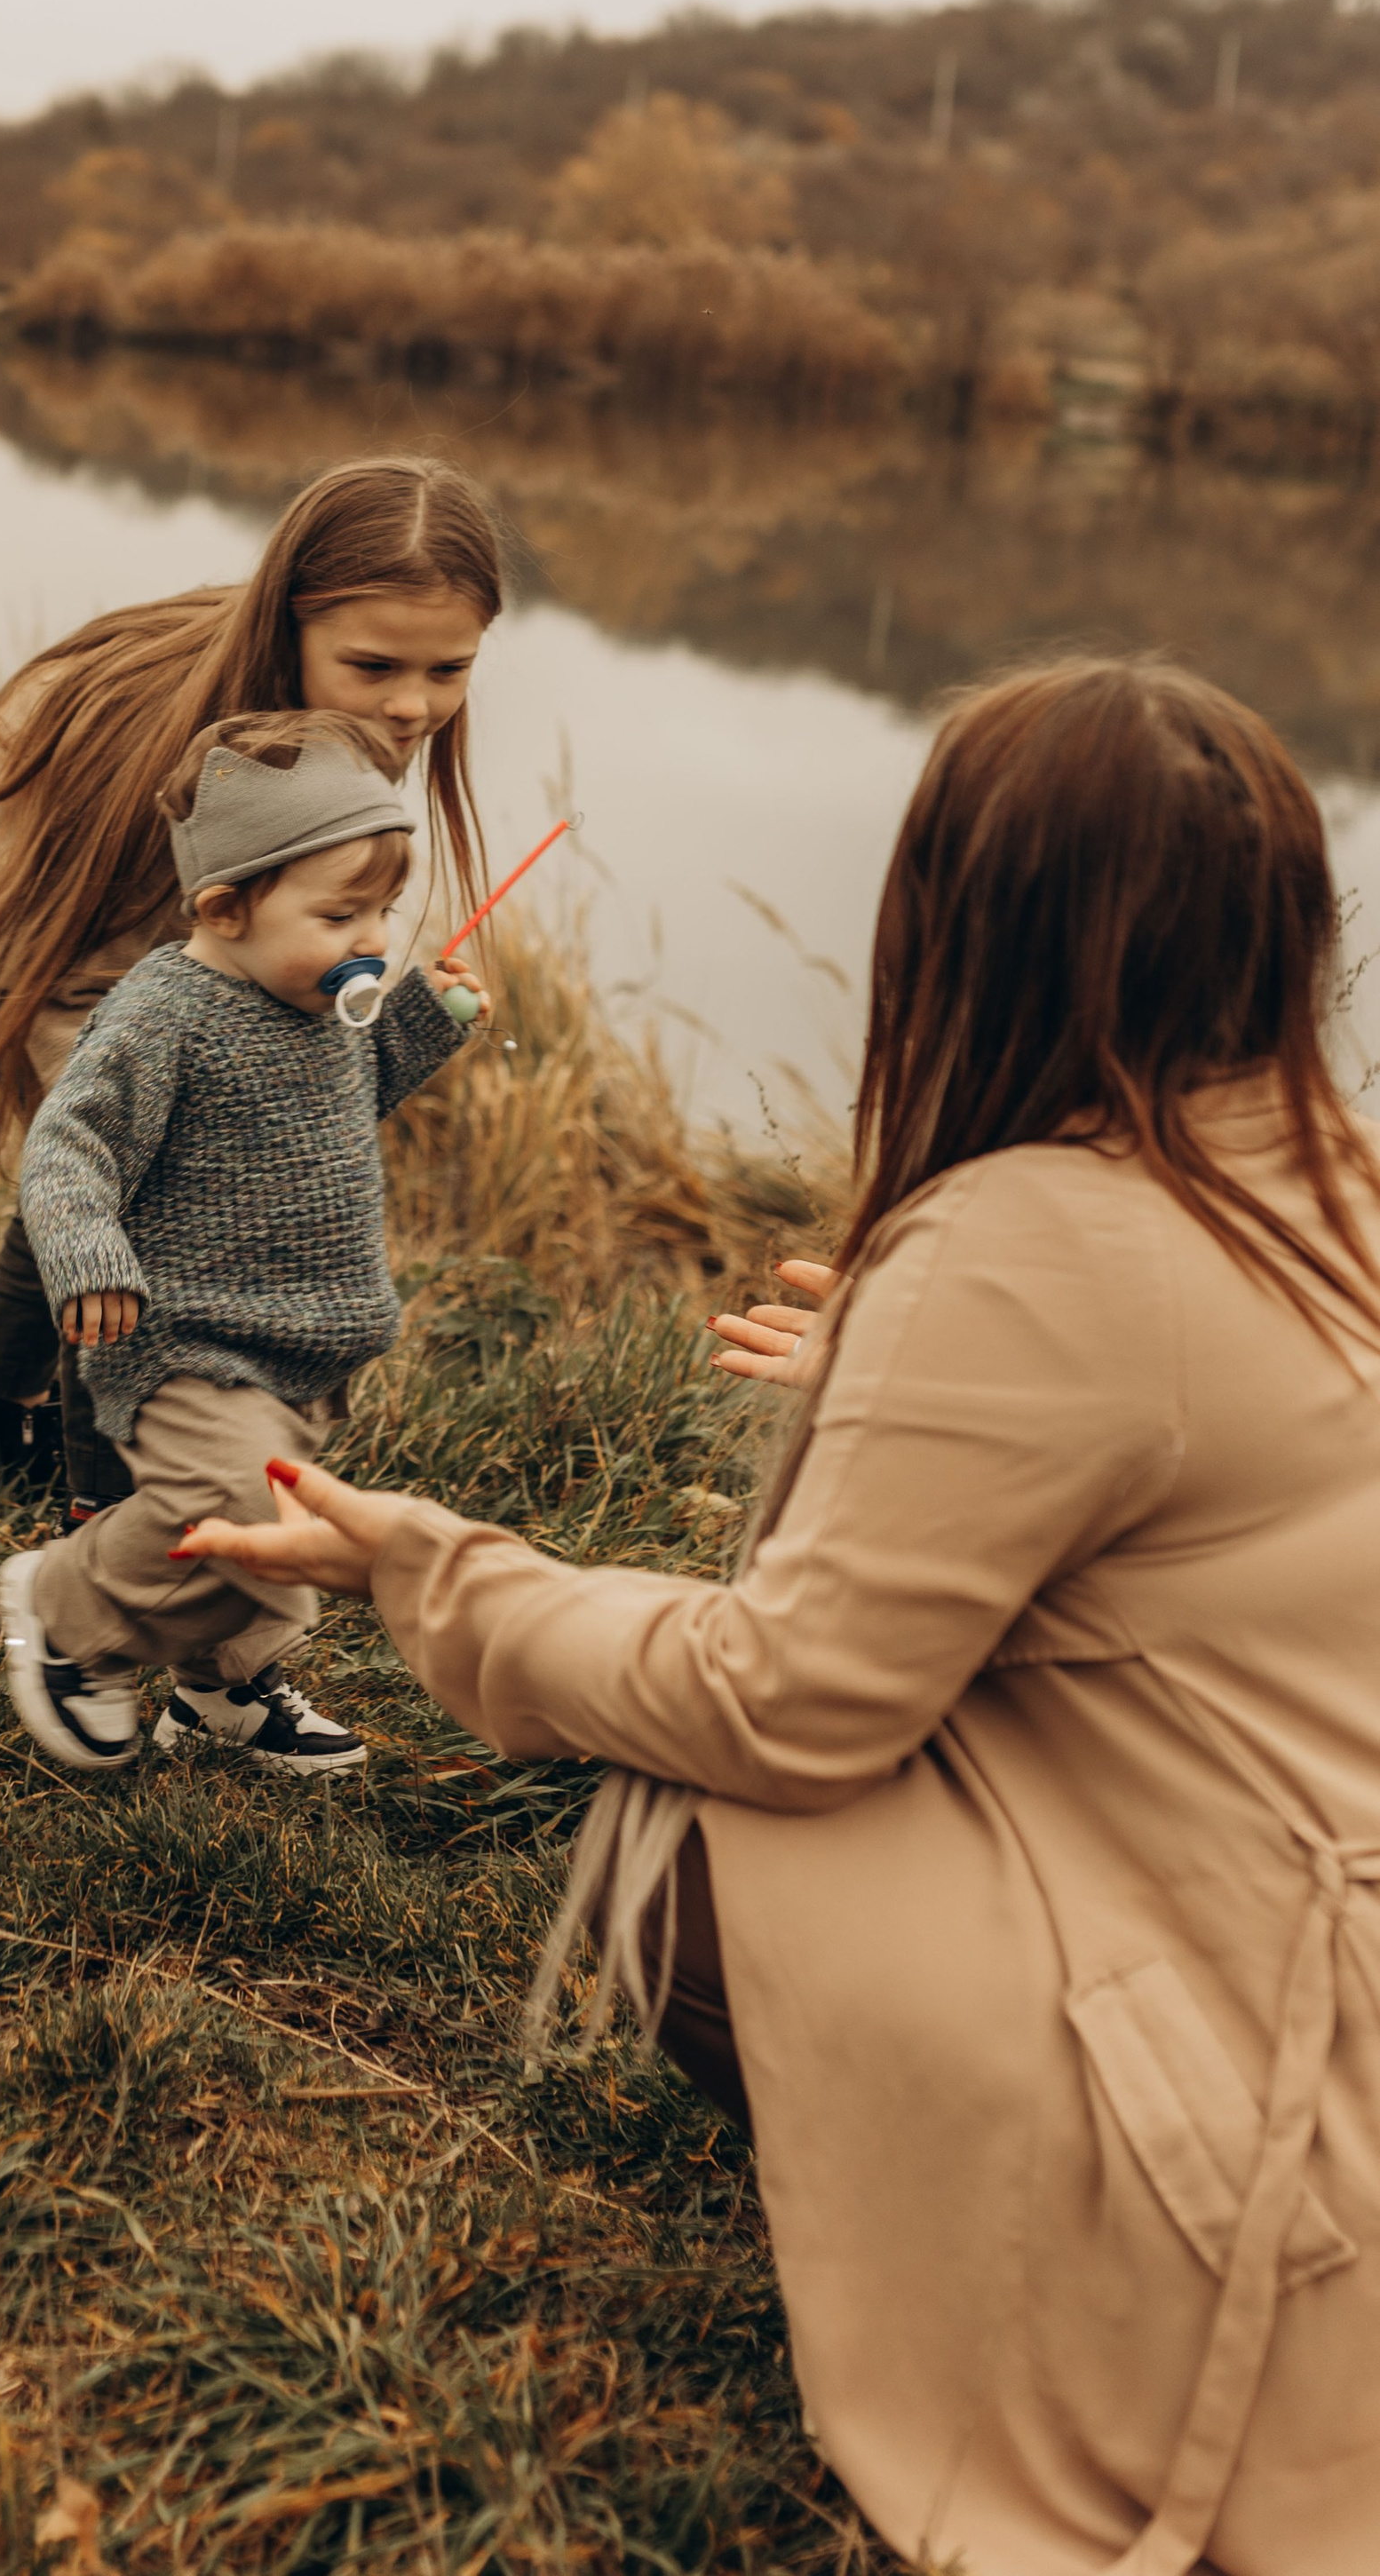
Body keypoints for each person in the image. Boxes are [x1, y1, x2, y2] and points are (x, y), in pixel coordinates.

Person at [177, 657, 1380, 2574]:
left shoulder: (1028, 1237)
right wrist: (892, 1386)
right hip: (1318, 1950)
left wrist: (431, 1568)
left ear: (964, 921)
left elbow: (782, 1703)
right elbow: (1185, 1463)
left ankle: (997, 2226)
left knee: (688, 1823)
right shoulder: (1320, 1180)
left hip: (1262, 2128)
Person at [0, 456, 501, 1505]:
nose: (414, 706)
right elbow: (82, 953)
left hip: (127, 919)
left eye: (448, 671)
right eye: (374, 668)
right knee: (123, 1190)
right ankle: (101, 1495)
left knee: (105, 1156)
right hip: (9, 893)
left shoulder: (334, 719)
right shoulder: (194, 757)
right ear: (288, 628)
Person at [0, 710, 489, 1777]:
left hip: (300, 1344)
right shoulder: (166, 1012)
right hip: (186, 1336)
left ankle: (222, 1690)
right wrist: (87, 1257)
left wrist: (421, 1020)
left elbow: (344, 1104)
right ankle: (65, 1613)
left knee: (274, 1532)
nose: (370, 937)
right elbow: (69, 1143)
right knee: (223, 1507)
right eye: (340, 911)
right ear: (225, 907)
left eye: (384, 911)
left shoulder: (314, 1002)